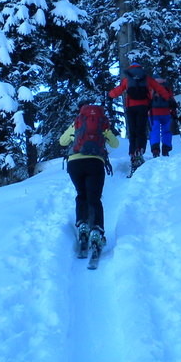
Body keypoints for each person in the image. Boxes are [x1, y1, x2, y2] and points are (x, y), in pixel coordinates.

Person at [59, 103, 119, 258]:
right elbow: (115, 144)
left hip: (75, 163)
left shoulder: (78, 122)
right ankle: (97, 231)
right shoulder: (101, 123)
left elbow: (62, 141)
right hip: (95, 163)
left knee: (81, 195)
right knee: (95, 198)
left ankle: (83, 225)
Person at [108, 62, 171, 170]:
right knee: (141, 130)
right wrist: (168, 99)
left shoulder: (127, 79)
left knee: (133, 131)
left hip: (131, 108)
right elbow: (159, 88)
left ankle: (132, 153)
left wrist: (110, 95)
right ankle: (140, 149)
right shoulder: (146, 78)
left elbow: (119, 89)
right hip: (143, 106)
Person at [149, 77, 177, 157]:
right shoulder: (166, 88)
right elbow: (172, 101)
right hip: (166, 113)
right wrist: (174, 112)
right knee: (167, 131)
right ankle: (165, 150)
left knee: (154, 131)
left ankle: (155, 150)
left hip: (153, 113)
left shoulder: (151, 87)